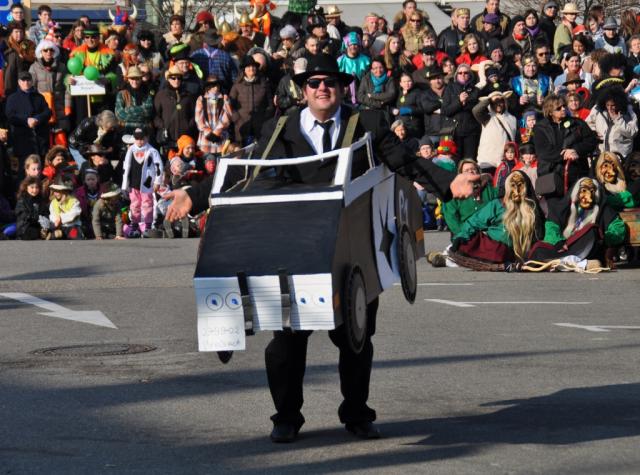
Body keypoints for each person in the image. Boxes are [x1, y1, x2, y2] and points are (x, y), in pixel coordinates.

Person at [164, 53, 479, 443]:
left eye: (330, 81)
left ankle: (357, 413)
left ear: (342, 87)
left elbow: (405, 162)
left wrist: (447, 184)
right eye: (314, 83)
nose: (322, 88)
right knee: (286, 342)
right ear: (303, 90)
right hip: (296, 247)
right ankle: (286, 417)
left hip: (352, 247)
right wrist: (194, 195)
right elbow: (247, 171)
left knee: (355, 339)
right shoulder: (280, 129)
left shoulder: (367, 123)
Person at [451, 170, 545, 269]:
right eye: (513, 186)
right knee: (471, 244)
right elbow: (474, 222)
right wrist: (462, 236)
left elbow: (541, 232)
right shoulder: (497, 205)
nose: (516, 191)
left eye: (520, 185)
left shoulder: (532, 208)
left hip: (520, 252)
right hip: (494, 247)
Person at [5, 71, 51, 174]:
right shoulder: (12, 98)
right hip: (23, 141)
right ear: (19, 82)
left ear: (32, 81)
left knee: (40, 170)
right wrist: (26, 120)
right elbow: (10, 116)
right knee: (23, 171)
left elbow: (48, 112)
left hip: (40, 140)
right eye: (23, 80)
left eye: (28, 80)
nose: (26, 83)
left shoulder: (39, 97)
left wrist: (37, 119)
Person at [121, 127, 163, 237]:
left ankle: (148, 227)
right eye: (137, 139)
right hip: (133, 183)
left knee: (147, 204)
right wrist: (125, 185)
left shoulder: (152, 151)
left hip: (146, 183)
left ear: (147, 138)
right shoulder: (131, 150)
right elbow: (126, 167)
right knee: (134, 205)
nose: (139, 141)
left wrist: (157, 181)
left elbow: (159, 166)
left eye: (142, 138)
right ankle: (135, 228)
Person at [228, 55, 273, 145]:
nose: (251, 68)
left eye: (253, 66)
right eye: (248, 66)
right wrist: (237, 119)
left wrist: (265, 119)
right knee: (242, 149)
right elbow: (230, 105)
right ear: (244, 70)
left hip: (260, 126)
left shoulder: (263, 83)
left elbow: (270, 104)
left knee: (260, 149)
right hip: (242, 125)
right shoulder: (237, 85)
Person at [585, 85, 638, 159]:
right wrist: (593, 133)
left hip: (620, 157)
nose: (610, 108)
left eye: (613, 105)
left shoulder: (628, 112)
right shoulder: (597, 109)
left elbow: (632, 132)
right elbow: (587, 124)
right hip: (600, 155)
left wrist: (618, 119)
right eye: (607, 105)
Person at [473, 90, 517, 173]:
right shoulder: (487, 117)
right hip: (487, 162)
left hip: (505, 162)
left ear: (504, 103)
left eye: (500, 102)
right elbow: (476, 110)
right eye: (495, 103)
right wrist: (490, 99)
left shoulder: (513, 119)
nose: (498, 104)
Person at [195, 75, 233, 153]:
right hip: (205, 141)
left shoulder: (224, 98)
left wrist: (217, 131)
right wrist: (208, 133)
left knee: (222, 158)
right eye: (213, 85)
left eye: (217, 85)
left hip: (221, 138)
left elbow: (228, 115)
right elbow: (199, 119)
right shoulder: (201, 99)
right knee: (208, 160)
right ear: (208, 87)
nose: (216, 87)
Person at [115, 66, 155, 135]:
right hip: (126, 131)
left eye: (137, 78)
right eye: (132, 78)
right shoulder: (121, 94)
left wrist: (128, 109)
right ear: (128, 79)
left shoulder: (147, 92)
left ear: (141, 79)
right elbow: (120, 114)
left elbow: (148, 111)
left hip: (144, 131)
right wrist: (141, 114)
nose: (135, 81)